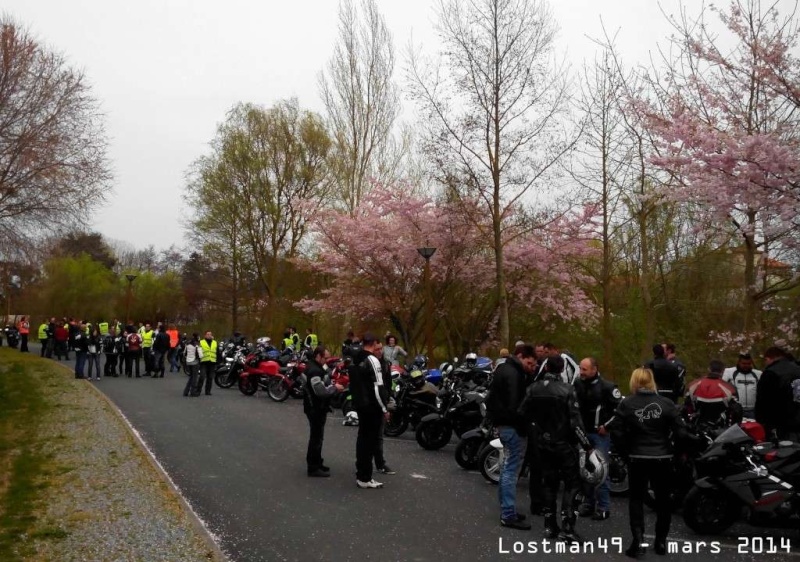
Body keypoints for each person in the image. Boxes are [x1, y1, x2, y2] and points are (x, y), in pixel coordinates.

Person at [609, 368, 693, 558]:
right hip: (662, 457)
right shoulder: (667, 403)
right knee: (663, 501)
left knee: (636, 499)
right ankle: (661, 542)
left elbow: (617, 432)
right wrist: (676, 453)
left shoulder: (627, 403)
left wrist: (625, 453)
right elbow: (681, 433)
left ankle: (638, 541)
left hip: (637, 457)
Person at [518, 355, 592, 542]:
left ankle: (550, 526)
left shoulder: (533, 389)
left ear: (546, 368)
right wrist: (587, 446)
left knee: (549, 483)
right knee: (572, 484)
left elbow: (521, 413)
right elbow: (576, 423)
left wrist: (534, 431)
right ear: (561, 370)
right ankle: (567, 528)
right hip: (564, 444)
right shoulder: (567, 390)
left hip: (542, 443)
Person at [485, 344, 537, 530]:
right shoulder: (514, 375)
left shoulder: (503, 369)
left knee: (507, 466)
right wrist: (524, 426)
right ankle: (508, 513)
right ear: (521, 356)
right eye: (529, 363)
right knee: (511, 469)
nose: (531, 367)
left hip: (503, 424)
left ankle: (507, 508)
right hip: (513, 426)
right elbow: (517, 406)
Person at [574, 357, 621, 521]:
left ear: (594, 369)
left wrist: (606, 427)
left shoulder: (608, 387)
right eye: (580, 369)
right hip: (582, 433)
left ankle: (604, 507)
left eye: (585, 369)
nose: (581, 372)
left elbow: (620, 411)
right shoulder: (578, 384)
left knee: (601, 471)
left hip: (599, 435)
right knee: (584, 470)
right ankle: (588, 503)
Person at [349, 332, 390, 489]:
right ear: (373, 343)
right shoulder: (372, 360)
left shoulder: (355, 357)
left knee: (362, 440)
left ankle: (362, 475)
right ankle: (365, 477)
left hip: (360, 403)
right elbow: (378, 387)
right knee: (370, 442)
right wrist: (384, 408)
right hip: (371, 406)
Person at [304, 345, 344, 476]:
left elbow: (323, 380)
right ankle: (313, 467)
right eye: (325, 358)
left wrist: (330, 382)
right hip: (315, 408)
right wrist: (335, 388)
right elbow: (320, 392)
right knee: (316, 437)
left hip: (315, 406)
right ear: (318, 356)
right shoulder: (314, 370)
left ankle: (318, 462)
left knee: (318, 437)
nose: (327, 360)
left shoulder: (314, 365)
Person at [755, 346, 800, 441]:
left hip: (780, 425)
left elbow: (763, 403)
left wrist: (762, 423)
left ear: (768, 358)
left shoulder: (771, 373)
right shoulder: (797, 369)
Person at [684, 360, 742, 430]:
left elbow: (686, 406)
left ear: (709, 369)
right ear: (722, 371)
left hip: (697, 426)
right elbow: (737, 410)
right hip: (720, 428)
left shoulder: (693, 384)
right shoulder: (729, 388)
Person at [722, 353, 762, 418]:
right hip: (736, 410)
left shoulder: (758, 373)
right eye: (743, 363)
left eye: (748, 364)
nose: (746, 366)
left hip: (754, 411)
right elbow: (722, 389)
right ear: (738, 362)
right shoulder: (729, 372)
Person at [198, 330, 217, 396]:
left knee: (210, 378)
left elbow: (217, 352)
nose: (209, 335)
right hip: (204, 362)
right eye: (208, 334)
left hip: (212, 362)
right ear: (205, 335)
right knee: (202, 376)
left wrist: (218, 362)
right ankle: (198, 391)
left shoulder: (215, 342)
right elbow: (198, 352)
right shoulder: (201, 342)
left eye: (210, 334)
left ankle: (208, 391)